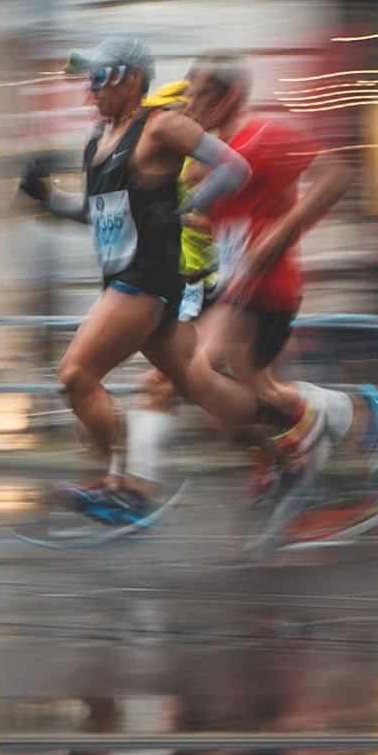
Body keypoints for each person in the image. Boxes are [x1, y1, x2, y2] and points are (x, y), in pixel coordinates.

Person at [18, 36, 262, 527]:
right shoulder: (97, 139)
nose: (91, 90)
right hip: (122, 279)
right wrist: (47, 197)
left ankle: (122, 487)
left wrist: (190, 205)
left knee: (75, 375)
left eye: (100, 78)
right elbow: (94, 211)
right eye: (88, 81)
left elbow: (235, 166)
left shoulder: (162, 125)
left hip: (145, 279)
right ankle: (285, 434)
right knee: (199, 388)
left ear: (131, 78)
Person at [180, 53, 378, 498]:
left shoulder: (265, 136)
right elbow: (227, 223)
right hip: (235, 286)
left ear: (230, 97)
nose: (191, 107)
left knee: (197, 370)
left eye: (199, 98)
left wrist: (282, 231)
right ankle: (312, 444)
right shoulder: (211, 159)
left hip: (267, 287)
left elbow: (337, 174)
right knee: (248, 400)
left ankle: (317, 432)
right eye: (188, 98)